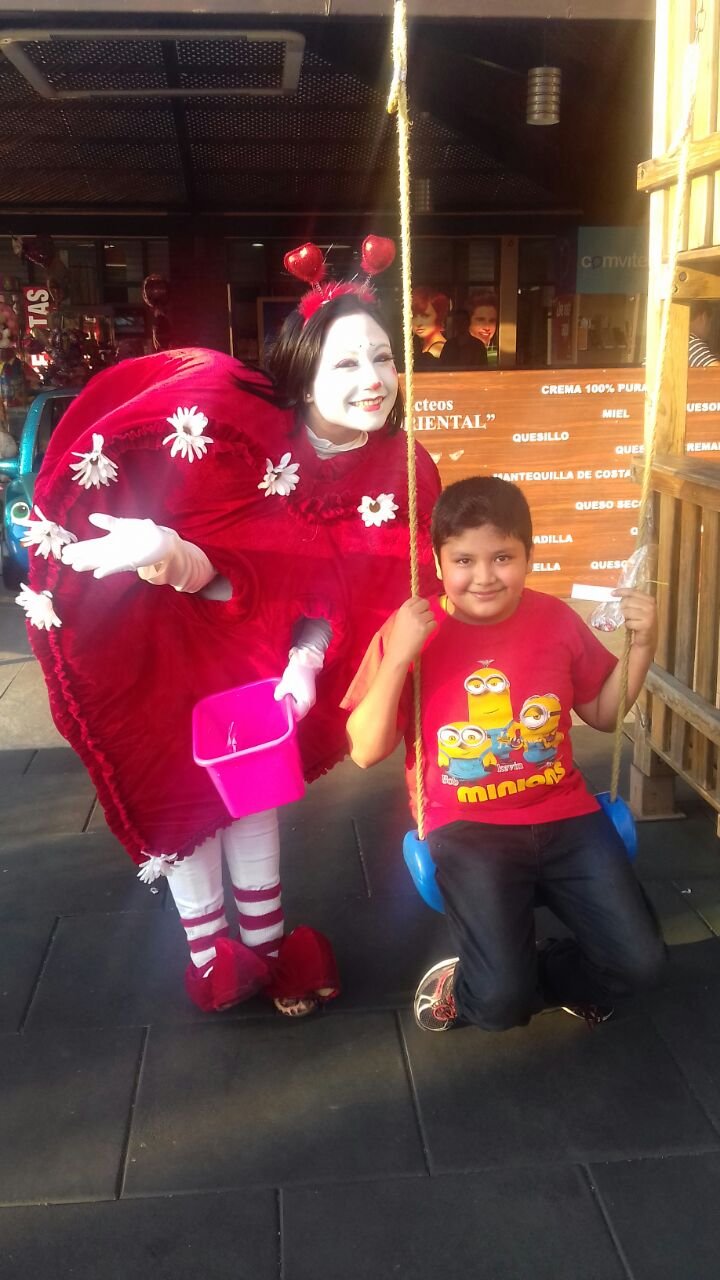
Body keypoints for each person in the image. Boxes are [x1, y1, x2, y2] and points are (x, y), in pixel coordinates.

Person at [20, 265, 441, 1018]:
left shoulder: (401, 469)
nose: (373, 379)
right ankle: (211, 956)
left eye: (382, 357)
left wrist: (307, 658)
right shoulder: (230, 432)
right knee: (183, 793)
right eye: (346, 362)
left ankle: (270, 949)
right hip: (166, 646)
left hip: (261, 662)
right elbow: (224, 563)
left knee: (251, 793)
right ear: (304, 375)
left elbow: (350, 587)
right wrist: (166, 552)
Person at [344, 476, 666, 1034]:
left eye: (502, 557)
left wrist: (642, 647)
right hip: (467, 826)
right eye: (464, 560)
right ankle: (471, 982)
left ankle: (548, 972)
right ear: (438, 563)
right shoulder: (412, 630)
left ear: (528, 558)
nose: (485, 576)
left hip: (565, 814)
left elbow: (605, 713)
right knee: (496, 1004)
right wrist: (398, 659)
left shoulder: (555, 619)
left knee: (642, 967)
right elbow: (365, 752)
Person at [411, 287, 449, 368]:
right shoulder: (423, 345)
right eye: (413, 316)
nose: (418, 323)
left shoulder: (437, 349)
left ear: (439, 316)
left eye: (425, 316)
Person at [688, 302, 720, 367]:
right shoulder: (692, 343)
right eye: (710, 322)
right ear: (704, 317)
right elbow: (714, 370)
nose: (710, 328)